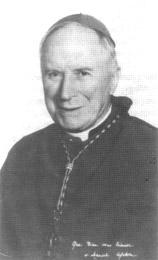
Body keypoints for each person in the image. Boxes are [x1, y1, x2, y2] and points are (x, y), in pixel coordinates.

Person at [0, 13, 157, 260]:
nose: (65, 92)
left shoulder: (151, 150)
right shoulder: (23, 154)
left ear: (113, 78)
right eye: (54, 74)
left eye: (82, 73)